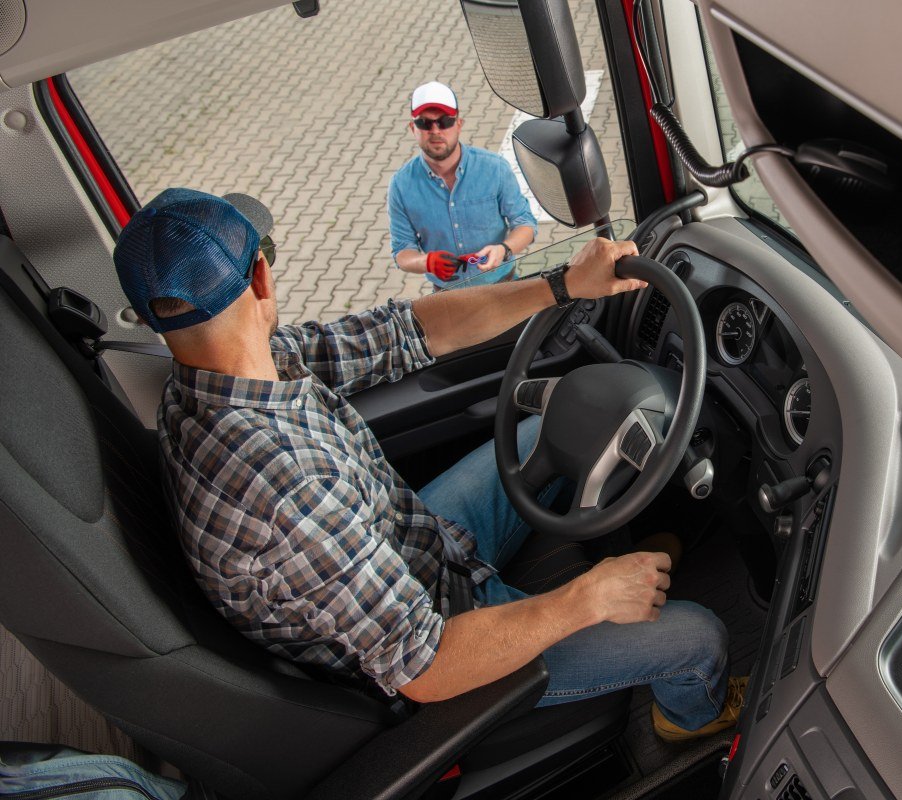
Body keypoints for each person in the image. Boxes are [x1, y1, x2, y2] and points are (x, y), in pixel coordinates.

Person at [113, 188, 746, 742]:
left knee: (552, 424)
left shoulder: (221, 379)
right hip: (447, 642)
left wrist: (561, 286)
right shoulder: (283, 488)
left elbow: (408, 332)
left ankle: (628, 569)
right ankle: (690, 718)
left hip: (415, 546)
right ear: (261, 278)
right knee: (701, 638)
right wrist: (588, 598)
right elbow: (426, 666)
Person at [388, 81, 537, 290]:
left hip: (503, 285)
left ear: (459, 124)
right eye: (425, 123)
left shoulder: (494, 168)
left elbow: (526, 224)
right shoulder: (401, 186)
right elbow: (402, 251)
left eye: (445, 121)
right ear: (413, 128)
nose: (435, 130)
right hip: (447, 295)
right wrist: (426, 262)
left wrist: (504, 249)